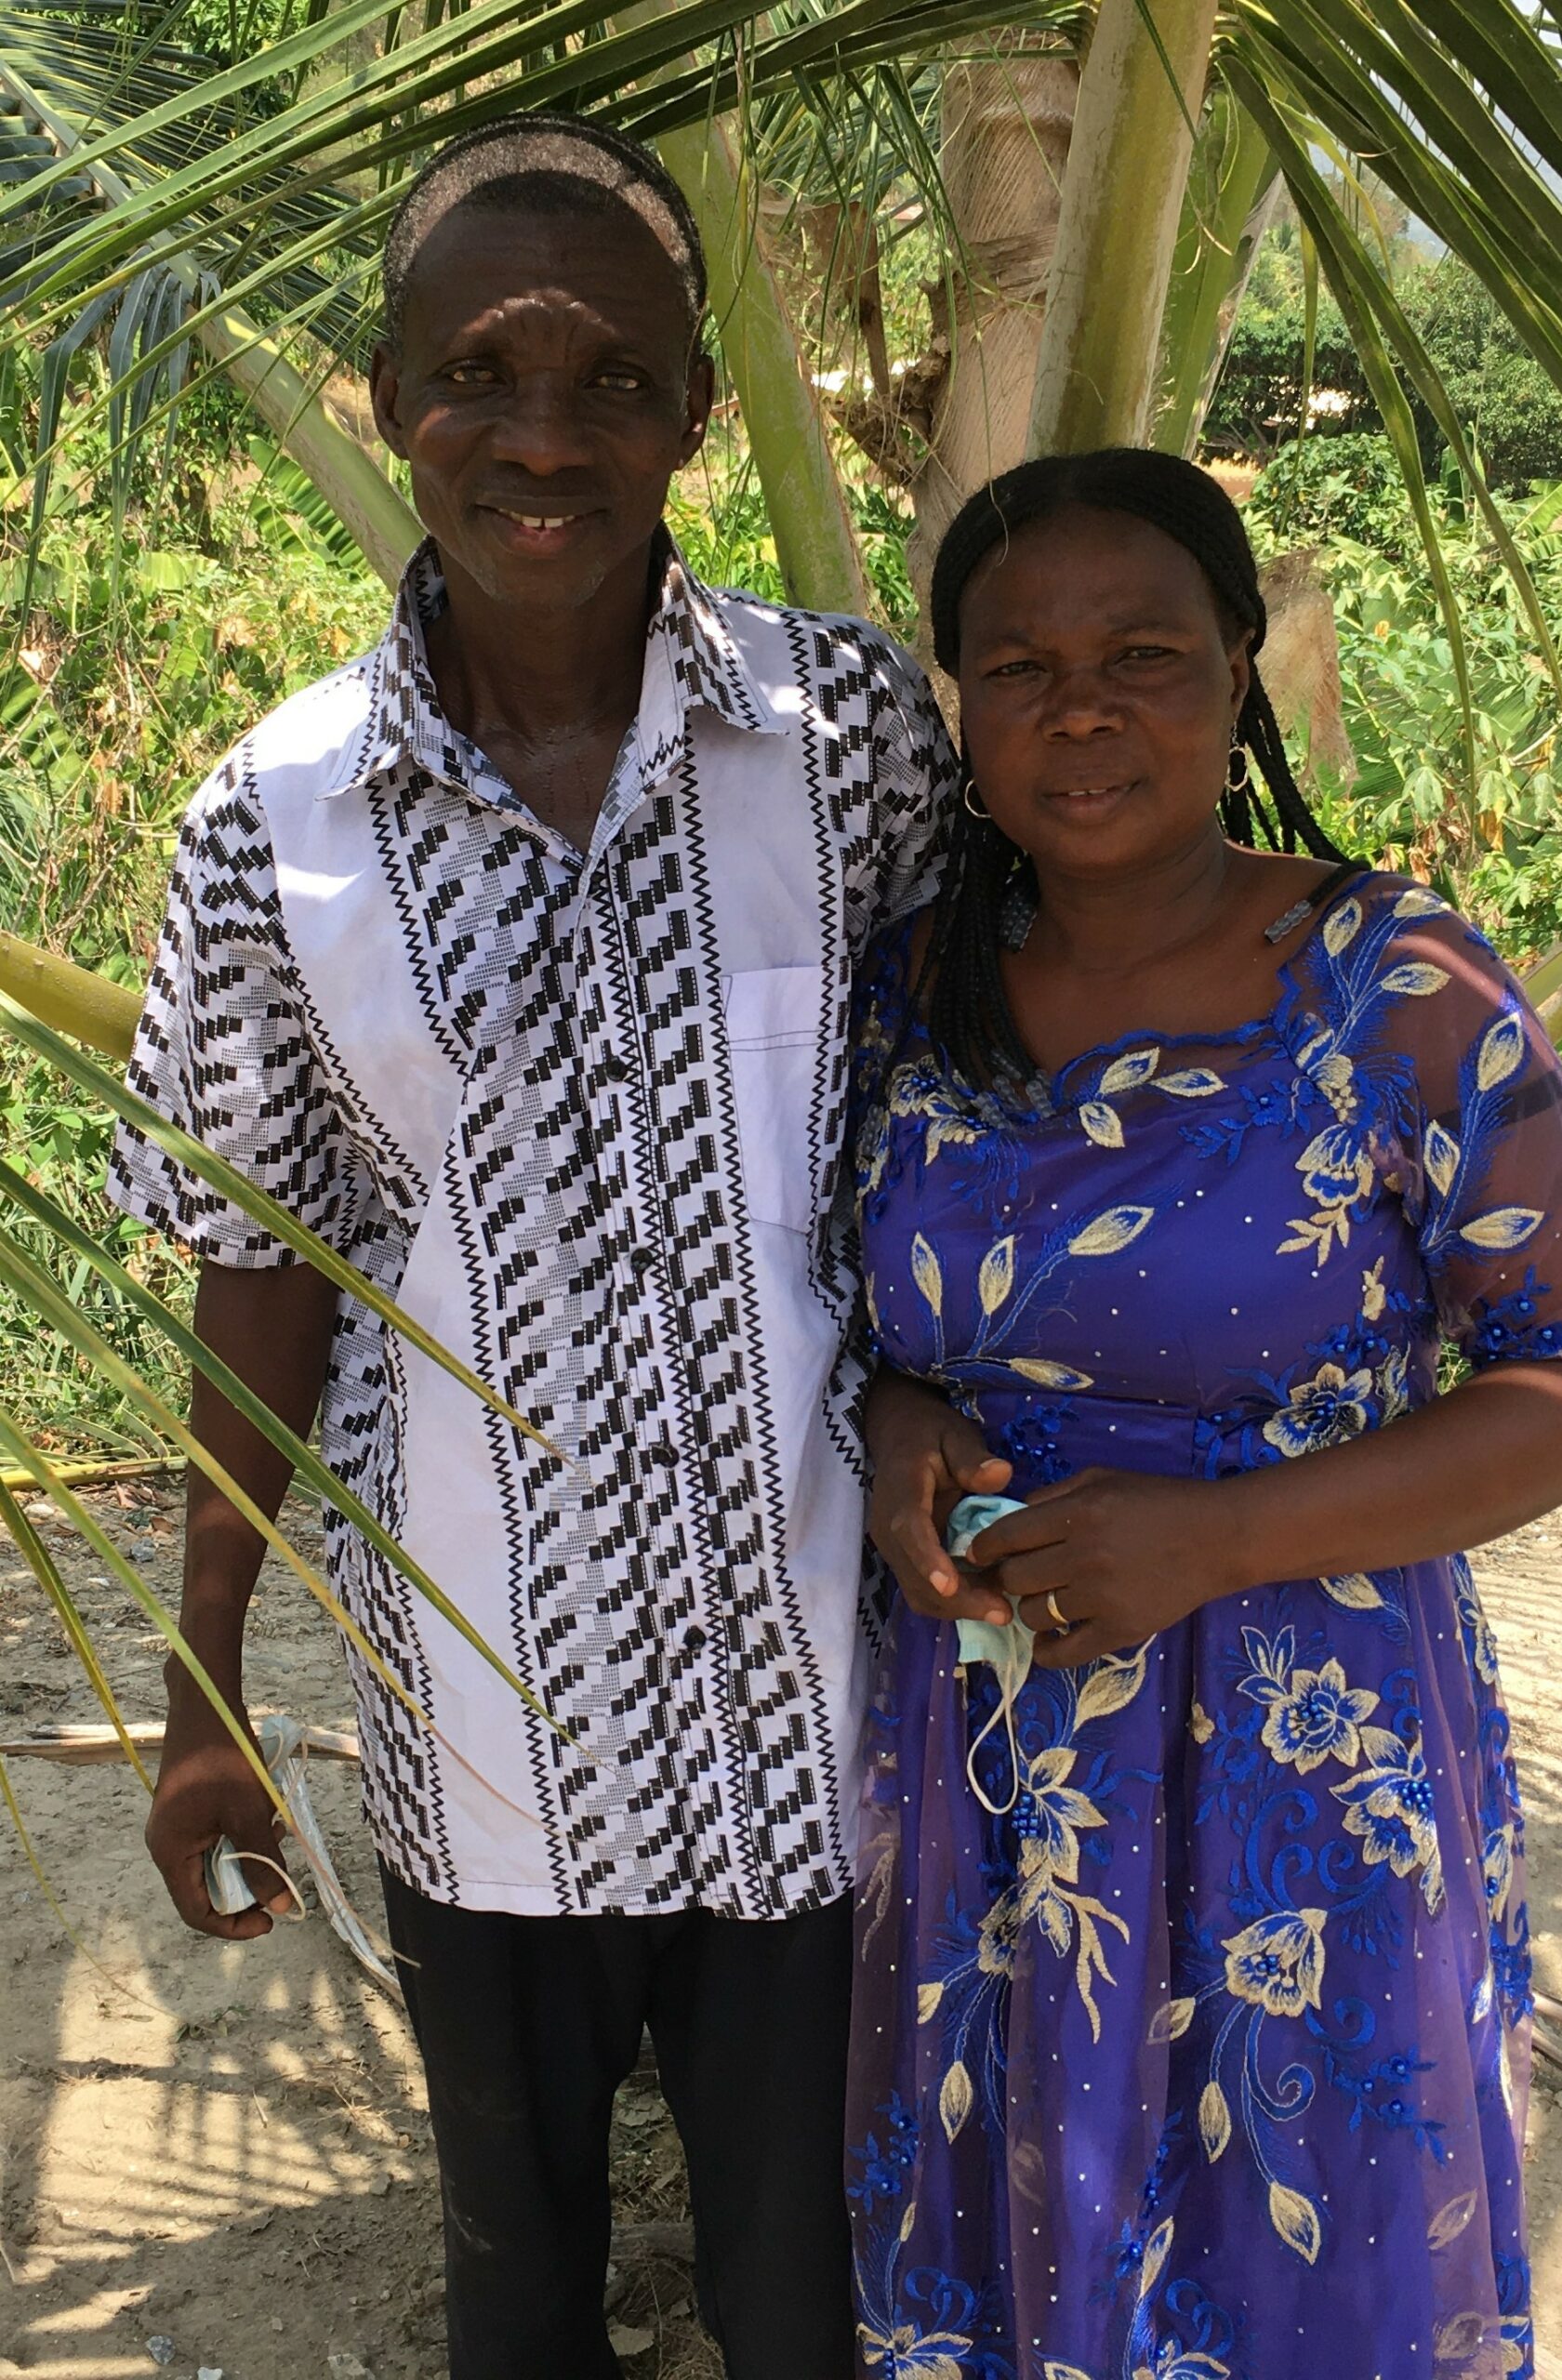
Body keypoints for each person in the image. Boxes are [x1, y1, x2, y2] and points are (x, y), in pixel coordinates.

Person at [107, 112, 955, 2380]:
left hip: (812, 1696)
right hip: (482, 1715)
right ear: (392, 392)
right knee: (518, 2284)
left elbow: (956, 1122)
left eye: (613, 379)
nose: (545, 436)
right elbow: (261, 1265)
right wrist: (201, 1682)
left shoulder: (850, 736)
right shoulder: (273, 821)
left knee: (811, 2294)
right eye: (480, 371)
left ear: (694, 411)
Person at [848, 448, 1562, 2379]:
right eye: (1019, 665)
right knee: (1018, 2224)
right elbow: (863, 1312)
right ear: (959, 707)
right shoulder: (914, 985)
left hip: (1309, 1736)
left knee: (1305, 2227)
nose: (1081, 709)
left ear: (1241, 669)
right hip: (991, 1744)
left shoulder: (1396, 986)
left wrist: (1218, 1536)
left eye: (1142, 654)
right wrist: (891, 1421)